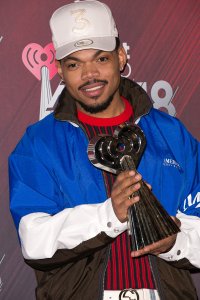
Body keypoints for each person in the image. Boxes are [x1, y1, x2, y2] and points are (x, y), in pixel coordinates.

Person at [9, 1, 200, 299]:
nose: (90, 75)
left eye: (100, 59)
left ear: (121, 56)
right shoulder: (39, 144)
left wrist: (175, 244)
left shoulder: (172, 135)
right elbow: (34, 241)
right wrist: (109, 214)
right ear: (59, 69)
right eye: (74, 64)